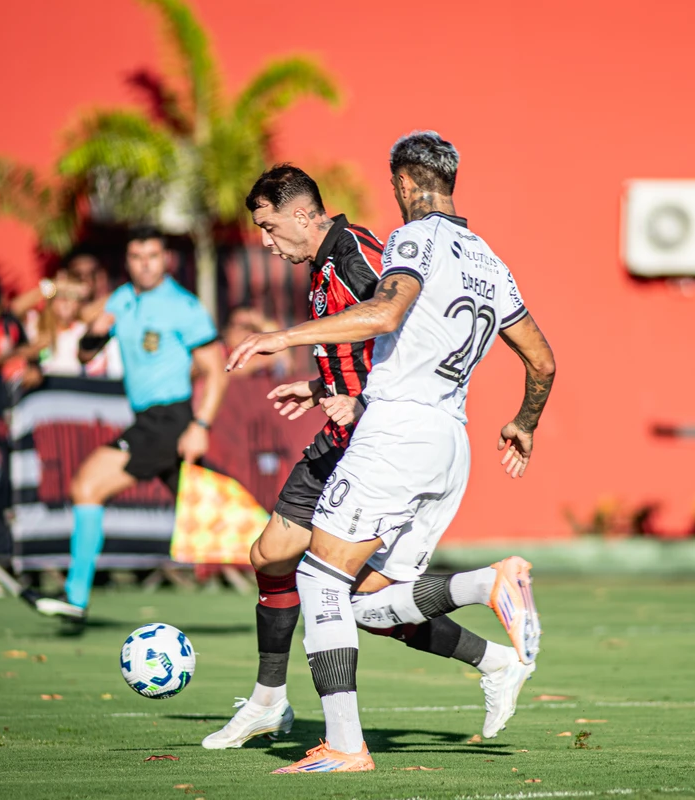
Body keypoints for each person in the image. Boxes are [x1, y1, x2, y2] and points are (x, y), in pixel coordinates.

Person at [227, 132, 557, 773]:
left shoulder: (413, 239)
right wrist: (524, 421)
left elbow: (384, 314)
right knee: (369, 604)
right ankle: (486, 584)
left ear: (403, 184)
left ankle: (346, 746)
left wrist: (281, 337)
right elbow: (542, 360)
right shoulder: (491, 260)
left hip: (396, 432)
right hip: (449, 441)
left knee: (319, 578)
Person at [23, 226, 227, 627]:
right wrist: (96, 331)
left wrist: (200, 424)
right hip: (150, 421)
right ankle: (304, 571)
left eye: (152, 256)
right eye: (136, 257)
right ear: (128, 261)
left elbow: (217, 371)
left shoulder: (182, 306)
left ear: (165, 259)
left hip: (169, 420)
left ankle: (75, 597)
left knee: (87, 485)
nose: (144, 264)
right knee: (217, 510)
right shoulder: (121, 299)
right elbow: (84, 355)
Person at [22, 270, 122, 379]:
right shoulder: (35, 324)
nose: (66, 301)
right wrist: (51, 287)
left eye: (72, 296)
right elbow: (13, 310)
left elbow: (116, 299)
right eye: (60, 295)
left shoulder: (82, 329)